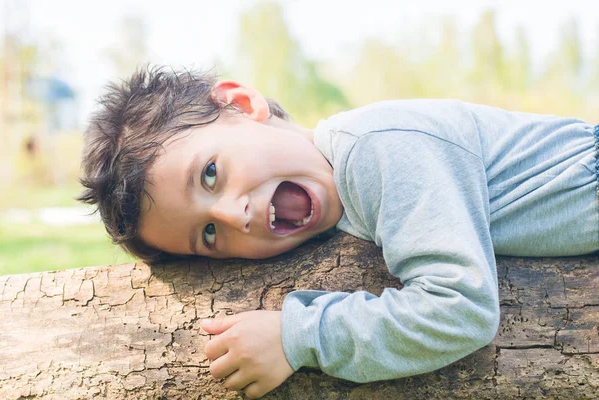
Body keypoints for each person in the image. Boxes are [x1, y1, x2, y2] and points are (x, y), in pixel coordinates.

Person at [78, 66, 599, 399]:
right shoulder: (347, 196)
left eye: (210, 173)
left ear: (240, 104)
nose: (234, 215)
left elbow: (461, 307)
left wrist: (299, 335)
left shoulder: (380, 148)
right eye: (209, 235)